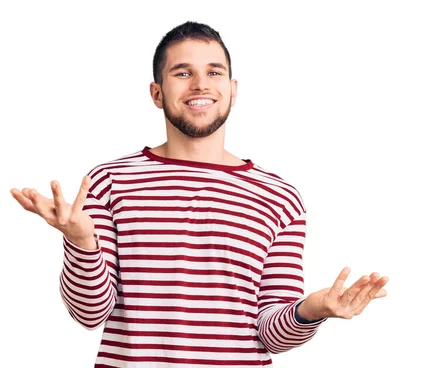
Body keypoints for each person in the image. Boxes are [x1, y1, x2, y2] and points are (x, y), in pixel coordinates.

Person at [10, 21, 389, 367]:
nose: (200, 84)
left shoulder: (280, 198)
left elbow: (269, 334)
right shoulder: (109, 182)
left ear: (233, 90)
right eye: (182, 73)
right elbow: (89, 314)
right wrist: (82, 242)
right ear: (157, 93)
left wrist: (311, 309)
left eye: (213, 72)